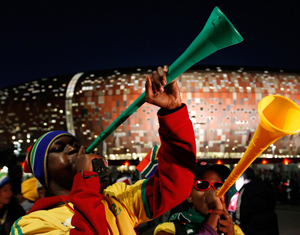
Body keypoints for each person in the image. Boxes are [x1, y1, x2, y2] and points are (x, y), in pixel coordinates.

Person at [11, 66, 197, 235]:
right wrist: (85, 181)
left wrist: (173, 113)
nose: (73, 149)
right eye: (59, 149)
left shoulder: (117, 198)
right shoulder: (31, 224)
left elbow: (174, 186)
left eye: (76, 145)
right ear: (44, 172)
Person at [154, 160, 244, 235]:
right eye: (203, 185)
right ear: (189, 196)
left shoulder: (234, 230)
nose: (212, 192)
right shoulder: (168, 230)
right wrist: (212, 218)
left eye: (217, 186)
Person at [234, 168, 279, 235]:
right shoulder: (265, 186)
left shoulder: (246, 190)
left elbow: (240, 212)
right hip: (270, 224)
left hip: (251, 226)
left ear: (243, 178)